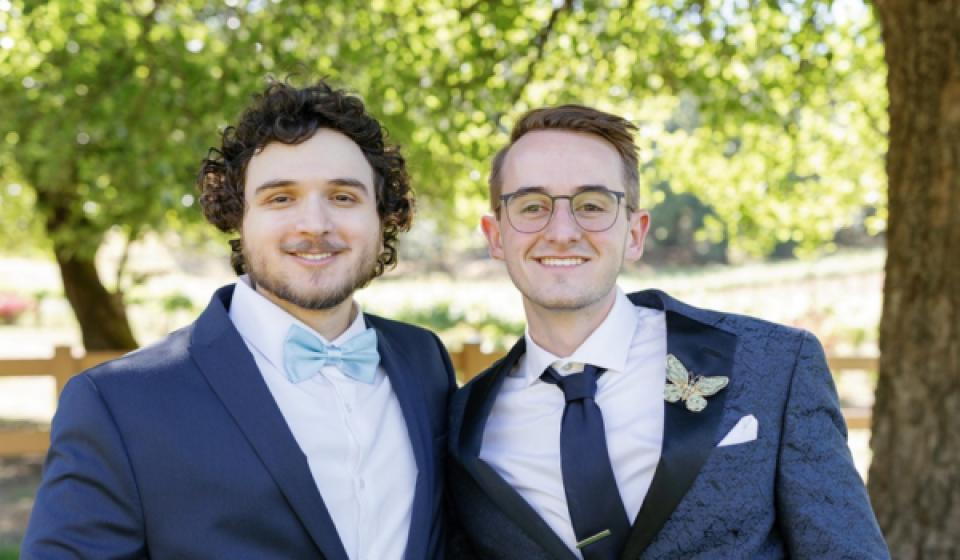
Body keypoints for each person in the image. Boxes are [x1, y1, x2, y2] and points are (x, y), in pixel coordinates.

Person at [23, 80, 455, 559]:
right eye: (280, 198)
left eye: (343, 197)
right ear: (238, 217)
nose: (315, 224)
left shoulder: (425, 362)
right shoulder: (116, 404)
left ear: (384, 216)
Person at [447, 104, 889, 559]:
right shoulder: (464, 424)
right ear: (495, 236)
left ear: (635, 233)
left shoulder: (775, 364)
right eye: (532, 206)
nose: (562, 232)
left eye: (592, 205)